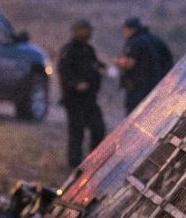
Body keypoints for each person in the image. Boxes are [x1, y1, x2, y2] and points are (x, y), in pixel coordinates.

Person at [57, 19, 107, 169]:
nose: (88, 33)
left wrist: (99, 67)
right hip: (74, 99)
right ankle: (75, 165)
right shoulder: (69, 50)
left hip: (90, 99)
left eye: (89, 30)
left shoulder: (89, 49)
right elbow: (64, 70)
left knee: (99, 129)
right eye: (85, 30)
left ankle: (94, 162)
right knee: (76, 133)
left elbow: (93, 65)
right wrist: (75, 83)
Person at [114, 16, 174, 112]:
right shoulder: (156, 40)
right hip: (160, 87)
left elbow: (129, 63)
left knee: (136, 117)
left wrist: (118, 62)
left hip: (139, 89)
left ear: (129, 29)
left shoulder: (135, 42)